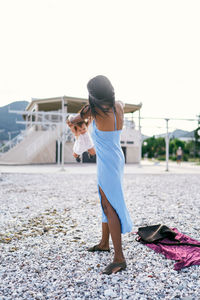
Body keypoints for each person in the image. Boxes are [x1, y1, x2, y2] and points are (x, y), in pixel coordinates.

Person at [68, 75, 133, 275]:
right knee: (104, 199)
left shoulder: (94, 111)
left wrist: (84, 110)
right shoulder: (118, 106)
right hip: (115, 157)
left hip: (107, 163)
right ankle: (104, 243)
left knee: (109, 205)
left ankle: (119, 258)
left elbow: (73, 119)